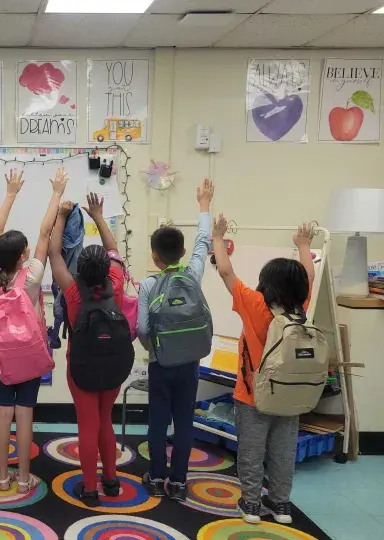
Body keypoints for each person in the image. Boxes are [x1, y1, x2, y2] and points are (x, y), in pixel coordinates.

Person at [213, 215, 315, 525]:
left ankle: (251, 505)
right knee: (284, 452)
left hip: (253, 395)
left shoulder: (255, 305)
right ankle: (281, 505)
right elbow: (308, 275)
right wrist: (304, 245)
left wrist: (218, 236)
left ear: (266, 283)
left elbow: (225, 271)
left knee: (252, 451)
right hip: (290, 396)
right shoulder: (300, 309)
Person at [0, 167, 67, 494]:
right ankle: (22, 479)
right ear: (23, 255)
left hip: (3, 356)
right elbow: (46, 234)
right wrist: (56, 193)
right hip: (31, 352)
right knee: (25, 413)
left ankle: (2, 477)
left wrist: (10, 195)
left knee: (3, 411)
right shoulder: (30, 276)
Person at [137, 178, 214, 501]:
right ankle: (179, 482)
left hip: (161, 362)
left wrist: (152, 348)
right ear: (181, 253)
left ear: (155, 257)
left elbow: (142, 328)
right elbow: (203, 243)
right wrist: (204, 206)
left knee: (158, 421)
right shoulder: (192, 273)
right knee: (184, 421)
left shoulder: (149, 285)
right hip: (190, 361)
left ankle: (156, 477)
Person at [49, 195, 129, 507]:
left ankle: (90, 488)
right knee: (105, 418)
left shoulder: (71, 288)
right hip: (114, 365)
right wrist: (97, 216)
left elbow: (55, 252)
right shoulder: (118, 281)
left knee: (87, 422)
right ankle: (111, 480)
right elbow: (114, 250)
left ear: (79, 268)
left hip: (80, 366)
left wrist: (61, 215)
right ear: (107, 268)